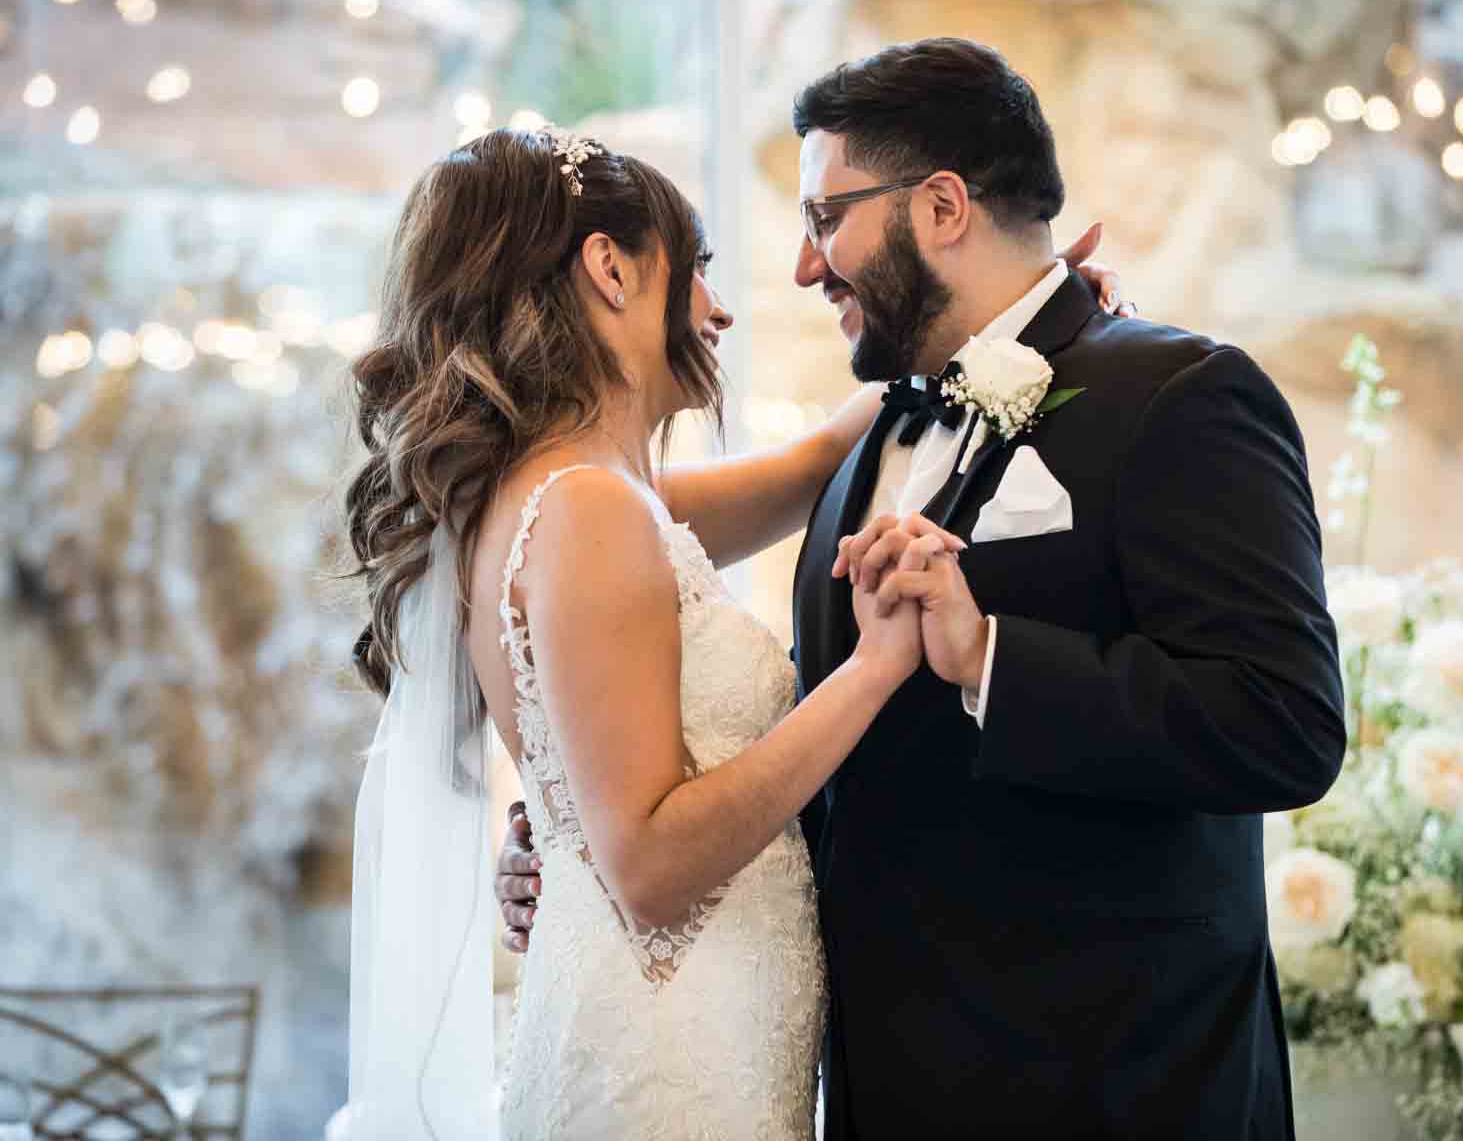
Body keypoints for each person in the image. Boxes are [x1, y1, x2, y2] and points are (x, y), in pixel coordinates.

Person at [499, 38, 1347, 1138]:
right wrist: (577, 833)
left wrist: (992, 654)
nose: (808, 268)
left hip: (1115, 1090)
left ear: (942, 206)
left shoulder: (1181, 396)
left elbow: (1285, 725)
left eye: (824, 219)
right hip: (877, 1087)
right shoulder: (870, 440)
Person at [344, 122, 1128, 1139]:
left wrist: (1019, 306)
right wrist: (878, 666)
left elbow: (812, 469)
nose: (718, 310)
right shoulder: (588, 510)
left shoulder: (572, 495)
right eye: (697, 267)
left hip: (674, 1030)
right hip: (673, 1065)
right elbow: (652, 867)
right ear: (610, 269)